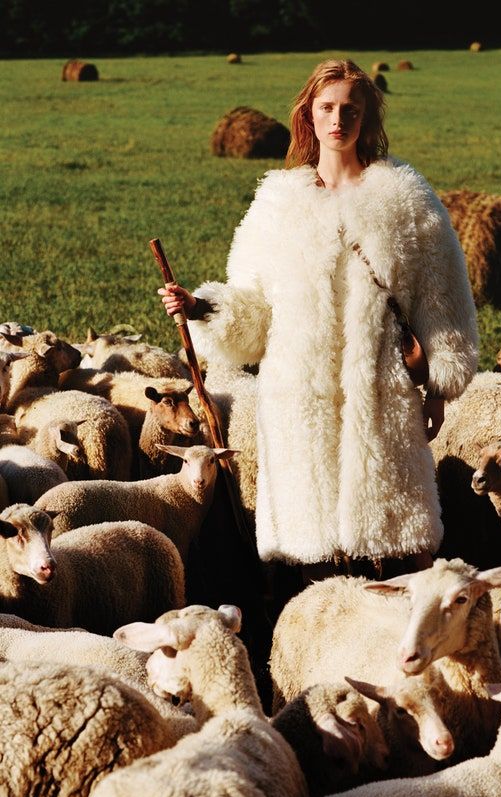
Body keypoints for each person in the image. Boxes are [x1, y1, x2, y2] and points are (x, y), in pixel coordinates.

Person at [159, 59, 478, 594]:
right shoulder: (277, 204)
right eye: (327, 108)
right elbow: (256, 313)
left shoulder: (405, 201)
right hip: (297, 403)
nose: (338, 120)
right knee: (314, 569)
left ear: (367, 116)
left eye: (350, 108)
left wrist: (439, 387)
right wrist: (203, 307)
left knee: (397, 556)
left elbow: (442, 300)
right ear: (308, 114)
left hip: (380, 398)